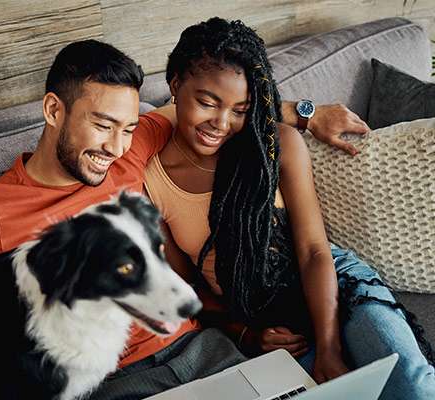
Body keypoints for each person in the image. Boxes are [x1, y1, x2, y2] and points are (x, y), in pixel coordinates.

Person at [0, 38, 368, 397]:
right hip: (116, 380)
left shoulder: (130, 147)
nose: (117, 147)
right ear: (54, 111)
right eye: (102, 126)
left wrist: (304, 112)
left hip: (205, 348)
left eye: (126, 128)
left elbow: (219, 108)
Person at [142, 17, 435, 399]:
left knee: (410, 383)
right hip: (258, 315)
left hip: (333, 284)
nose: (222, 122)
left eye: (240, 109)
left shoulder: (275, 145)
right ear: (176, 85)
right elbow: (187, 288)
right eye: (207, 103)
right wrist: (245, 334)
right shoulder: (151, 179)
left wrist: (329, 346)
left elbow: (314, 250)